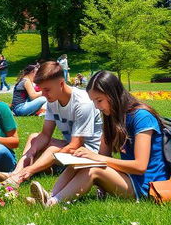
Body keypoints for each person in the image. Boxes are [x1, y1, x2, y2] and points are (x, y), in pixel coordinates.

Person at [28, 70, 170, 207]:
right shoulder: (112, 117)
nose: (96, 106)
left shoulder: (142, 116)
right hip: (130, 178)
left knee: (94, 169)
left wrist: (97, 159)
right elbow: (103, 155)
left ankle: (52, 204)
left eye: (99, 100)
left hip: (147, 185)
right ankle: (50, 195)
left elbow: (140, 166)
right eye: (93, 101)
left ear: (113, 95)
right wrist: (87, 158)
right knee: (80, 163)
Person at [0, 61, 103, 187]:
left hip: (90, 151)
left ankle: (21, 176)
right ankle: (15, 173)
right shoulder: (52, 100)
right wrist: (31, 152)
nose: (43, 95)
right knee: (34, 138)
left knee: (51, 150)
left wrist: (41, 162)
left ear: (61, 83)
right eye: (41, 90)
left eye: (47, 90)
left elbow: (76, 144)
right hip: (73, 146)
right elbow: (45, 135)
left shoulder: (82, 103)